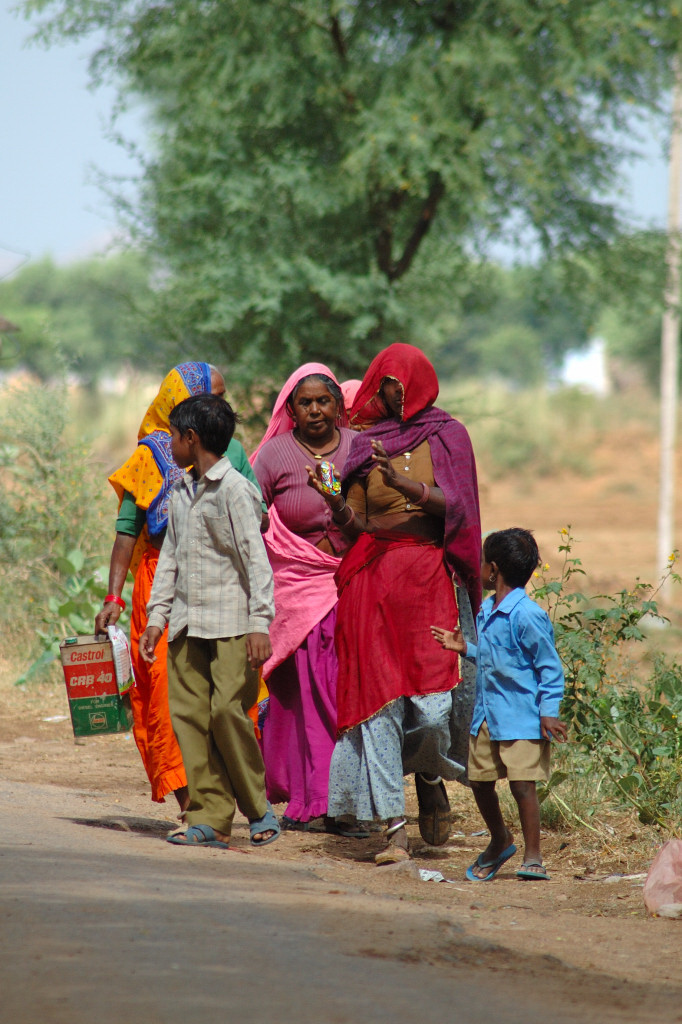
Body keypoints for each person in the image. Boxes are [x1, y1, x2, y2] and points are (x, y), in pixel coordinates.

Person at [307, 343, 482, 864]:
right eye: (385, 386)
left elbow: (463, 507)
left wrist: (411, 486)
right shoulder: (364, 446)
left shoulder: (449, 436)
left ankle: (430, 773)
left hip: (430, 579)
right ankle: (395, 832)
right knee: (378, 707)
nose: (392, 395)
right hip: (375, 586)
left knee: (434, 708)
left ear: (423, 384)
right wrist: (337, 502)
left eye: (401, 387)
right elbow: (357, 524)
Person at [95, 362, 264, 812]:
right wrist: (114, 596)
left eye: (224, 398)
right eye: (216, 395)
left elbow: (254, 521)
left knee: (224, 697)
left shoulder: (235, 455)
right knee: (167, 697)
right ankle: (193, 804)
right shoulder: (148, 457)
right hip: (158, 585)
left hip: (221, 583)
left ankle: (228, 798)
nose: (223, 406)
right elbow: (127, 530)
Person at [139, 394, 279, 849]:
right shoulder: (179, 489)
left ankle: (257, 807)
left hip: (233, 624)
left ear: (192, 438)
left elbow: (256, 561)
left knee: (227, 713)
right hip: (185, 625)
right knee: (191, 720)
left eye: (175, 435)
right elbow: (171, 560)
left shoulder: (235, 489)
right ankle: (211, 818)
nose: (171, 443)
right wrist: (157, 619)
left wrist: (261, 623)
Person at [251, 364, 364, 834]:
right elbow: (251, 517)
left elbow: (368, 522)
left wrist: (338, 502)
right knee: (303, 698)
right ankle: (313, 802)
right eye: (305, 402)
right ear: (290, 410)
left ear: (339, 406)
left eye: (324, 401)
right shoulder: (274, 455)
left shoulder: (358, 449)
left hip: (350, 585)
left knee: (344, 696)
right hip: (294, 591)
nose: (315, 409)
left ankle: (342, 800)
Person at [431, 528, 566, 881]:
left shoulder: (527, 615)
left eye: (481, 563)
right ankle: (500, 840)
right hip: (488, 715)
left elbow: (549, 667)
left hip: (521, 717)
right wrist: (466, 650)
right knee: (479, 781)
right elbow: (495, 659)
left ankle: (533, 855)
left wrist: (549, 712)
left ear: (493, 570)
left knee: (523, 785)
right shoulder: (488, 609)